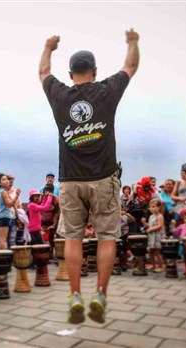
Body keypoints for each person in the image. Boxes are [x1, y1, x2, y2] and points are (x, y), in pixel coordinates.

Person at [39, 28, 139, 324]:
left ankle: (74, 295)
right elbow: (131, 65)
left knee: (73, 238)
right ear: (94, 72)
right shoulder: (106, 90)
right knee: (107, 237)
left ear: (71, 74)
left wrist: (48, 46)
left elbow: (44, 71)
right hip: (104, 178)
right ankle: (100, 294)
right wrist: (132, 42)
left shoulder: (59, 94)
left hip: (69, 180)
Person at [0, 173, 21, 249]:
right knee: (3, 240)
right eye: (4, 179)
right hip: (4, 217)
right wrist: (16, 196)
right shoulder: (3, 192)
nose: (7, 181)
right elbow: (9, 204)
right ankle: (3, 258)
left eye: (6, 179)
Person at [142, 199, 164, 272]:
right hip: (152, 236)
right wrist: (145, 223)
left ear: (159, 207)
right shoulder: (151, 216)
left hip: (157, 236)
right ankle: (153, 265)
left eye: (154, 206)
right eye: (150, 207)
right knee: (150, 251)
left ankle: (160, 266)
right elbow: (149, 226)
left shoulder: (160, 216)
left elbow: (160, 226)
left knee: (157, 252)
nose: (151, 208)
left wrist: (151, 229)